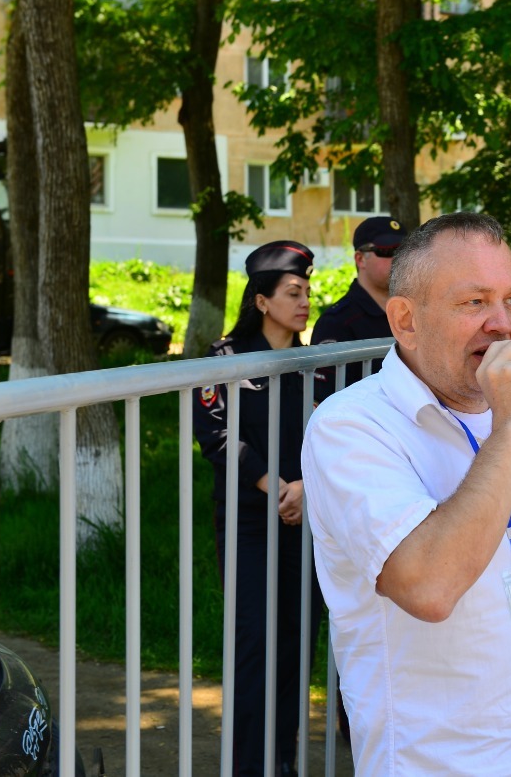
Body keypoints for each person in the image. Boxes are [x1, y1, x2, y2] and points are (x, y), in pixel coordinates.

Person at [301, 213, 511, 776]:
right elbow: (428, 588)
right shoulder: (352, 428)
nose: (503, 325)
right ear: (406, 320)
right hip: (442, 763)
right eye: (474, 303)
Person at [193, 240, 323, 777]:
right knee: (255, 642)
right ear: (263, 301)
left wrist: (306, 489)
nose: (305, 302)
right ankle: (249, 764)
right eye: (293, 293)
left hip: (305, 517)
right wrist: (277, 486)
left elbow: (329, 435)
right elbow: (217, 437)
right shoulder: (223, 361)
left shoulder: (314, 362)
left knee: (297, 642)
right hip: (250, 520)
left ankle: (283, 759)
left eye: (308, 292)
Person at [310, 215, 405, 385]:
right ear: (360, 259)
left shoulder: (416, 313)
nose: (398, 259)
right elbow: (324, 399)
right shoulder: (336, 323)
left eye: (404, 251)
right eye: (387, 251)